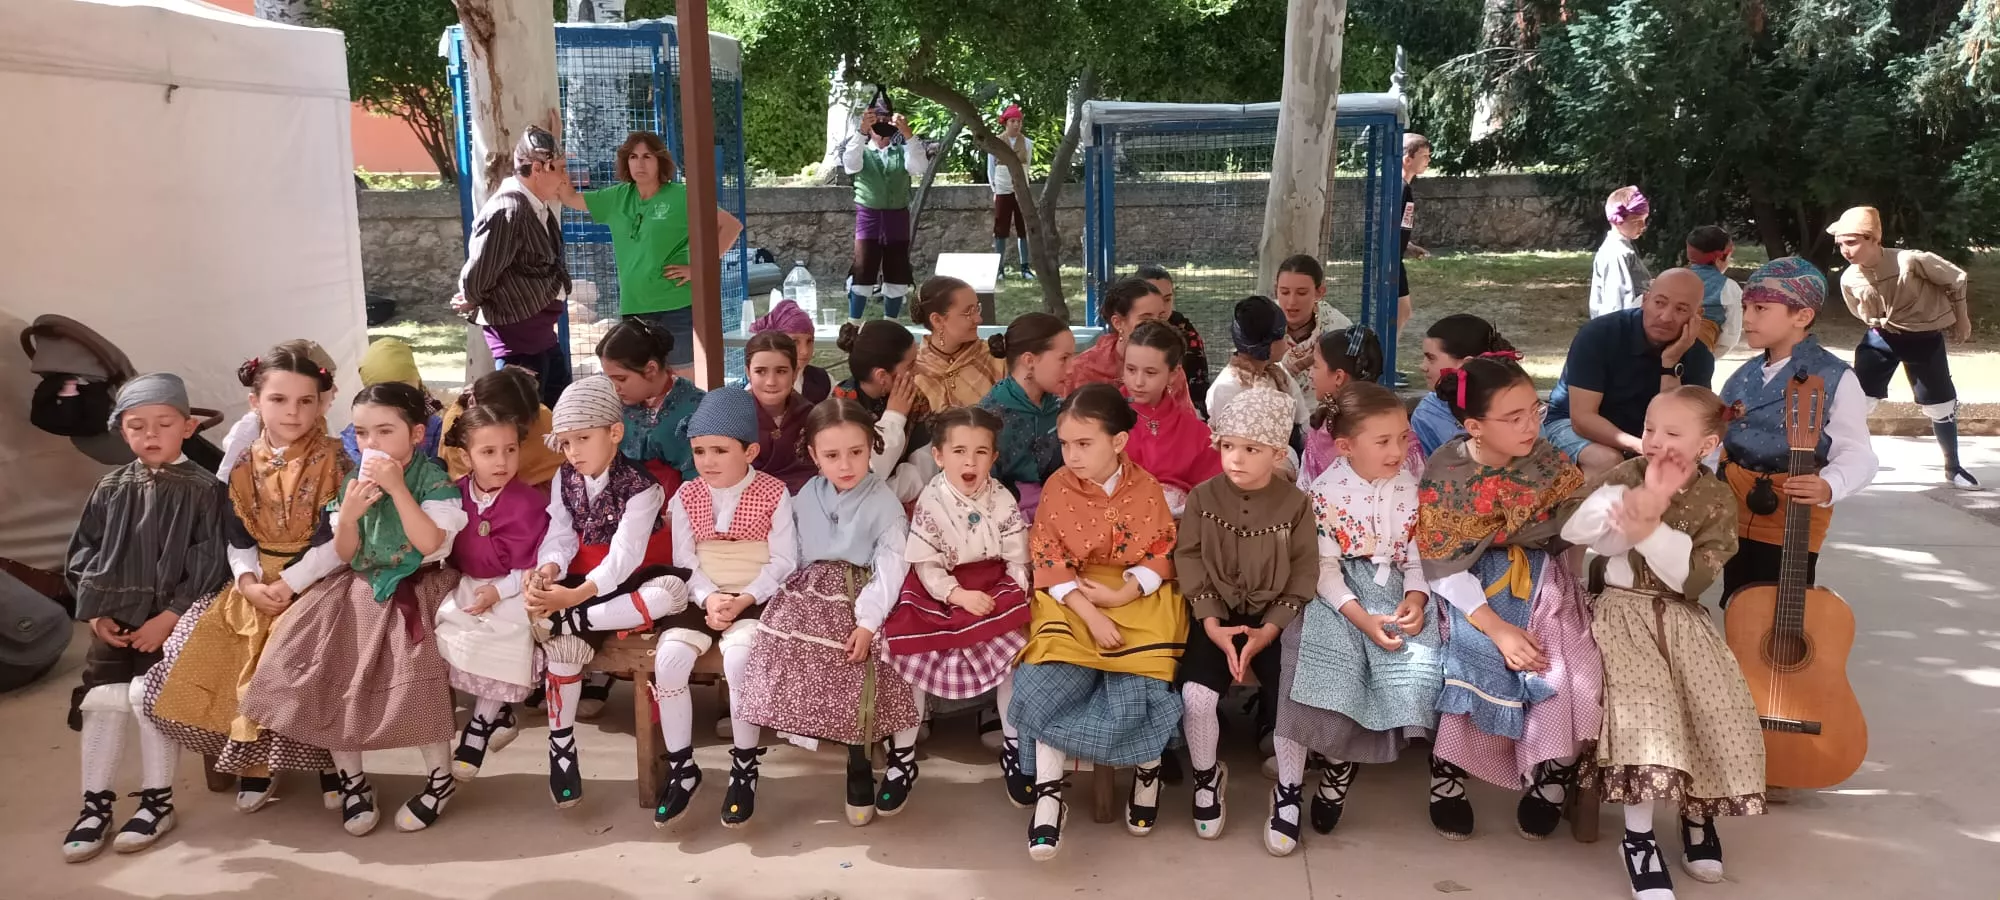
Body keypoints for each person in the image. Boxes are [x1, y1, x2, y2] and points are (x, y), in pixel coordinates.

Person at [239, 382, 467, 836]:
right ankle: (352, 780)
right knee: (328, 672)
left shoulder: (435, 482)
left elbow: (430, 543)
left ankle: (440, 780)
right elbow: (344, 551)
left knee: (416, 677)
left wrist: (398, 490)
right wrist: (347, 515)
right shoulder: (352, 484)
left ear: (417, 434)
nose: (372, 444)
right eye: (363, 433)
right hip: (359, 587)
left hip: (415, 587)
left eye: (385, 432)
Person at [1564, 388, 1763, 900]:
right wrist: (1629, 507)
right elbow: (1579, 529)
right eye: (1650, 428)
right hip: (1620, 613)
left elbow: (1692, 582)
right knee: (1646, 711)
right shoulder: (1626, 476)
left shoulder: (1717, 499)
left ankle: (1698, 816)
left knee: (1712, 703)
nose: (1655, 441)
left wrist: (1650, 524)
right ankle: (1637, 838)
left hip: (1680, 615)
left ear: (1707, 444)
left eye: (1673, 434)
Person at [147, 345, 344, 814]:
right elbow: (235, 535)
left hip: (319, 575)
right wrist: (248, 580)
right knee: (220, 652)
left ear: (322, 402)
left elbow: (337, 540)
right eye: (279, 400)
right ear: (256, 402)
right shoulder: (240, 465)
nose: (292, 412)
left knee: (307, 659)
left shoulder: (337, 462)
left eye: (305, 401)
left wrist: (291, 583)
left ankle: (332, 764)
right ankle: (254, 762)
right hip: (256, 580)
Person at [1417, 355, 1599, 841]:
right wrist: (1497, 629)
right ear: (1474, 427)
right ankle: (1448, 775)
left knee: (1568, 664)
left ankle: (1553, 776)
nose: (1530, 425)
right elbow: (1443, 564)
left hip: (1542, 575)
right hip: (1467, 584)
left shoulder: (1545, 458)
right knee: (1473, 654)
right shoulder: (1447, 471)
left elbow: (1574, 522)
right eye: (1513, 417)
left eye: (1534, 410)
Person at [1011, 384, 1187, 860]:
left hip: (1137, 591)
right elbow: (1047, 556)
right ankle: (1050, 793)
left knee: (1142, 685)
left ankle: (1147, 774)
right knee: (1046, 679)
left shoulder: (1147, 487)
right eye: (1065, 444)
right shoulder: (1056, 488)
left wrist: (1124, 592)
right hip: (1072, 595)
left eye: (1084, 443)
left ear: (1119, 442)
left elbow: (1162, 551)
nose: (1072, 455)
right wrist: (1091, 613)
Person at [61, 373, 230, 863]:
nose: (151, 435)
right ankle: (95, 804)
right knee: (100, 702)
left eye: (163, 423)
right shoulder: (110, 487)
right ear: (122, 431)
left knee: (148, 702)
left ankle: (157, 800)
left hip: (170, 623)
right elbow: (83, 552)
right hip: (112, 618)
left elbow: (208, 560)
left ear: (188, 426)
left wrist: (171, 616)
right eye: (138, 426)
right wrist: (94, 615)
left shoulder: (204, 490)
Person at [1268, 381, 1438, 857]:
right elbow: (1322, 569)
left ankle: (1341, 764)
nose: (1398, 450)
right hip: (1337, 595)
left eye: (1403, 438)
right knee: (1313, 668)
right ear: (1346, 446)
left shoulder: (1411, 488)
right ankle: (1287, 788)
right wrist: (1362, 619)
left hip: (1393, 591)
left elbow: (1416, 554)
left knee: (1418, 666)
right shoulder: (1323, 495)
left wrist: (1417, 598)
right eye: (1383, 441)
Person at [736, 398, 922, 828]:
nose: (845, 465)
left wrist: (867, 620)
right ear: (814, 455)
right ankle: (772, 753)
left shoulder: (884, 503)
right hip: (806, 592)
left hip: (866, 592)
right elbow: (790, 555)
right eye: (832, 455)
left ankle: (860, 760)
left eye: (856, 452)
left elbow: (892, 567)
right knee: (782, 648)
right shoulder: (803, 498)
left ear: (871, 448)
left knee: (858, 654)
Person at [524, 376, 692, 808]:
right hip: (583, 585)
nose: (573, 451)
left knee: (668, 595)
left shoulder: (643, 487)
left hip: (626, 580)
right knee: (562, 652)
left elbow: (623, 559)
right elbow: (561, 536)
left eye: (582, 438)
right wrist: (548, 569)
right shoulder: (565, 478)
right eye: (564, 442)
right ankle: (561, 745)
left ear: (614, 433)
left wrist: (573, 601)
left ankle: (569, 618)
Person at [1175, 386, 1318, 841]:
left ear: (1277, 453)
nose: (1235, 458)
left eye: (1251, 449)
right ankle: (1205, 778)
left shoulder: (1296, 505)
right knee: (1196, 697)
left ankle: (1290, 790)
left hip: (1275, 618)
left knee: (1290, 699)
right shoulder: (1201, 498)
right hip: (1213, 614)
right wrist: (1212, 622)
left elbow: (1303, 573)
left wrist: (1270, 629)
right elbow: (1190, 558)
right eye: (1228, 445)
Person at [652, 386, 798, 829]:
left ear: (750, 450)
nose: (708, 460)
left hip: (757, 594)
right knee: (671, 661)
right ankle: (682, 766)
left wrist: (744, 598)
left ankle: (744, 767)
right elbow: (684, 560)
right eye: (699, 450)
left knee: (739, 662)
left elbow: (785, 560)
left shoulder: (774, 493)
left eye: (720, 449)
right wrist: (709, 597)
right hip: (702, 591)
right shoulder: (685, 497)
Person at [879, 407, 1036, 804]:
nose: (970, 461)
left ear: (994, 458)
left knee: (1011, 659)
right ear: (938, 455)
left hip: (994, 582)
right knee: (910, 657)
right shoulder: (931, 500)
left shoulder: (1001, 497)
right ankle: (902, 754)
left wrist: (1011, 597)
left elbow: (1017, 556)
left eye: (981, 452)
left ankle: (1014, 749)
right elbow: (926, 563)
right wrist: (956, 594)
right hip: (939, 589)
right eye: (960, 451)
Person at [1716, 258, 1878, 599]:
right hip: (1731, 509)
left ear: (1802, 316)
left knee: (1778, 605)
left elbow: (1856, 452)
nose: (1746, 318)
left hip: (1791, 515)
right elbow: (1717, 441)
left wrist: (1829, 485)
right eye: (1746, 307)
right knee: (1738, 600)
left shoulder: (1835, 377)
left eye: (1761, 308)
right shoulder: (1742, 375)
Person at [558, 130, 745, 368]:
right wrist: (557, 161)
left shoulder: (681, 195)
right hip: (634, 308)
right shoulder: (616, 197)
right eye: (633, 157)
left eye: (647, 156)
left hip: (677, 307)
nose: (640, 163)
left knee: (682, 384)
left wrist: (699, 267)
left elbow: (730, 226)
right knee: (643, 382)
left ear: (660, 161)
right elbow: (570, 198)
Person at [435, 402, 551, 781]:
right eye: (488, 452)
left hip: (515, 585)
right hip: (464, 582)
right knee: (447, 626)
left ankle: (479, 727)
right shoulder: (451, 496)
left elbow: (530, 565)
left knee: (510, 631)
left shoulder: (531, 503)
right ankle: (497, 712)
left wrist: (499, 592)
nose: (502, 461)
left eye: (510, 449)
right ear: (465, 456)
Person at [1828, 205, 1980, 488]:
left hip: (1924, 339)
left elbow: (1955, 279)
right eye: (1840, 244)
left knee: (1941, 403)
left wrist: (1962, 319)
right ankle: (1838, 462)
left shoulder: (1909, 261)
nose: (1845, 250)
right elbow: (1857, 309)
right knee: (1855, 401)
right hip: (1881, 339)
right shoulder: (1850, 278)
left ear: (1873, 238)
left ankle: (1953, 467)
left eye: (1851, 242)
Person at [1545, 268, 1715, 479]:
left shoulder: (1699, 357)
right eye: (1659, 303)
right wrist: (1643, 447)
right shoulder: (1600, 335)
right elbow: (1582, 418)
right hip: (1569, 422)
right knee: (1608, 461)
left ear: (1697, 316)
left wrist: (1670, 364)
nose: (1665, 316)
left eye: (1681, 309)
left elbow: (1678, 423)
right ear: (1645, 300)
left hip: (1644, 437)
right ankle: (1578, 511)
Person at [455, 125, 574, 408]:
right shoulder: (509, 209)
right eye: (559, 169)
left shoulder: (533, 206)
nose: (564, 178)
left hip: (539, 335)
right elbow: (479, 274)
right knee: (521, 415)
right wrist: (471, 298)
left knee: (556, 407)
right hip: (518, 338)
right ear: (537, 168)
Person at [980, 313, 1075, 519]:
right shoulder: (990, 417)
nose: (1071, 368)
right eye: (1064, 359)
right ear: (1029, 360)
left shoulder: (1061, 407)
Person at [1122, 321, 1220, 517]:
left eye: (1150, 372)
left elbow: (1214, 491)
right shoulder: (1100, 418)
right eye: (1131, 370)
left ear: (1173, 374)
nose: (1138, 382)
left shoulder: (1195, 432)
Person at [843, 98, 928, 322]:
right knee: (863, 270)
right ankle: (853, 324)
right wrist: (861, 131)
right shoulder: (861, 150)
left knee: (897, 272)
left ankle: (890, 323)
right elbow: (850, 164)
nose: (881, 126)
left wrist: (908, 135)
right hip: (869, 218)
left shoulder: (902, 152)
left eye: (885, 119)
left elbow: (919, 167)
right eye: (876, 120)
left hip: (897, 218)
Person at [1298, 326, 1416, 486]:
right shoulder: (1398, 422)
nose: (1311, 374)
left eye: (1316, 366)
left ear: (1338, 376)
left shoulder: (1322, 431)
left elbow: (1306, 489)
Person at [834, 319, 936, 503]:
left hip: (903, 500)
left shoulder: (914, 397)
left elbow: (925, 470)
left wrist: (883, 494)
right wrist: (894, 418)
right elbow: (859, 475)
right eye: (911, 365)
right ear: (882, 376)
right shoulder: (842, 405)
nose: (919, 370)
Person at [598, 318, 704, 494]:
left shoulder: (698, 407)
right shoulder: (613, 405)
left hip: (682, 502)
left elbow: (701, 475)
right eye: (609, 379)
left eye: (621, 379)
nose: (615, 388)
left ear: (651, 369)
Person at [1061, 277, 1192, 408]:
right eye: (1145, 321)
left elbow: (1186, 421)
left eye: (1160, 318)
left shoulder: (1169, 366)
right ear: (1118, 323)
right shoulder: (1083, 370)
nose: (1155, 327)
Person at [215, 339, 338, 478]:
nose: (335, 390)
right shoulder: (250, 430)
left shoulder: (323, 426)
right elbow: (225, 484)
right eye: (330, 381)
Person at [440, 366, 564, 489]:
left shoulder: (541, 415)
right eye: (489, 451)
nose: (502, 462)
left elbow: (562, 469)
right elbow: (466, 486)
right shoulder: (457, 426)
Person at [1208, 296, 1306, 437]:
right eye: (1284, 335)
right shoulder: (1226, 389)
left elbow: (1302, 422)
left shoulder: (1278, 373)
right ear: (1268, 345)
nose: (1289, 341)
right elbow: (1229, 444)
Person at [1413, 315, 1510, 457]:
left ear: (1467, 364)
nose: (1422, 366)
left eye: (1431, 358)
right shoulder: (1427, 414)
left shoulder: (1516, 398)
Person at [911, 276, 1008, 410]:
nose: (978, 319)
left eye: (976, 309)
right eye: (968, 312)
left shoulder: (996, 357)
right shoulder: (912, 370)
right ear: (937, 320)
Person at [342, 338, 444, 464]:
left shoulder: (437, 427)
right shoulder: (353, 437)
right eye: (386, 396)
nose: (398, 401)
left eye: (405, 390)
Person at [743, 332, 819, 492]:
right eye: (760, 371)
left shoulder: (810, 416)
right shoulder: (731, 415)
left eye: (781, 371)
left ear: (795, 373)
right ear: (748, 372)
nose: (771, 382)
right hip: (746, 503)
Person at [1135, 265, 1211, 417]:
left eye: (1167, 299)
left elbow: (1199, 389)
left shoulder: (1184, 331)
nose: (1162, 308)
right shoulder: (1126, 333)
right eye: (1154, 299)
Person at [1273, 255, 1355, 386]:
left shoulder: (1338, 328)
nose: (1291, 302)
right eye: (1284, 292)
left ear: (1320, 292)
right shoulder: (1262, 322)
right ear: (1275, 290)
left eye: (1301, 293)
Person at [750, 299, 831, 403]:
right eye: (795, 341)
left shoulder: (823, 380)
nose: (805, 351)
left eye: (809, 341)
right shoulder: (760, 387)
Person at [989, 104, 1036, 280]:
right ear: (1006, 123)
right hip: (1002, 189)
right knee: (1000, 228)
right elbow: (990, 168)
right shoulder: (996, 142)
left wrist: (1024, 187)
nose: (1016, 124)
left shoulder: (1028, 144)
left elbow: (1028, 166)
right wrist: (996, 189)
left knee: (1023, 228)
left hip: (1021, 190)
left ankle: (1025, 267)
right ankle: (999, 268)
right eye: (1013, 121)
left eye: (1019, 121)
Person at [1591, 186, 1653, 318]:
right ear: (1618, 220)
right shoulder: (1618, 253)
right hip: (1620, 325)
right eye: (1637, 221)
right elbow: (1617, 301)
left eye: (1644, 220)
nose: (1643, 226)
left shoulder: (1622, 248)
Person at [1685, 226, 1741, 354]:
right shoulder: (1729, 288)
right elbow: (1730, 337)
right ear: (1721, 257)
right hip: (1698, 354)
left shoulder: (1669, 279)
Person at [1399, 133, 1433, 335]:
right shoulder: (1401, 188)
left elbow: (1398, 226)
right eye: (1424, 156)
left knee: (1402, 313)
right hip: (1391, 262)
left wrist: (1408, 246)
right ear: (1407, 159)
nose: (1428, 160)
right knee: (1402, 313)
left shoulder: (1404, 188)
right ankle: (1383, 360)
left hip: (1396, 259)